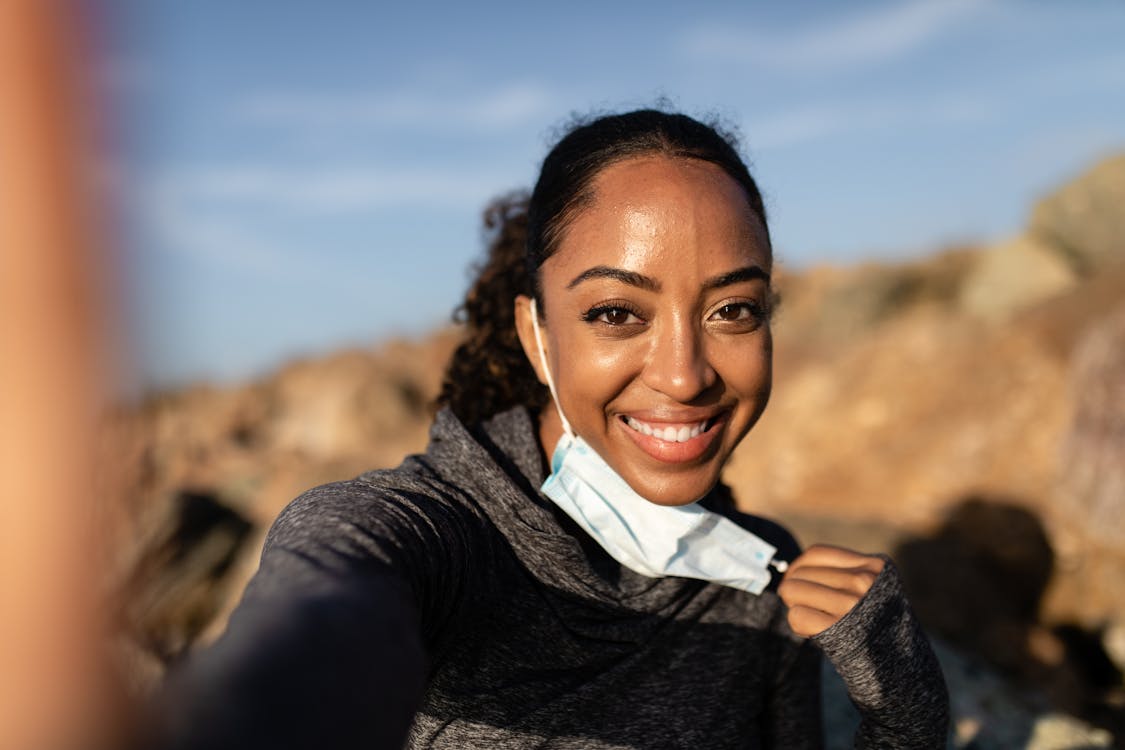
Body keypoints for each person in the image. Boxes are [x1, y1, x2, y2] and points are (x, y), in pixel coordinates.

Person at [147, 109, 949, 749]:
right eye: (615, 314)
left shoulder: (759, 577)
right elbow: (322, 619)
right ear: (536, 335)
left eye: (731, 310)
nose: (684, 374)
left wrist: (897, 688)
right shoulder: (433, 535)